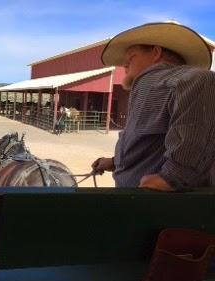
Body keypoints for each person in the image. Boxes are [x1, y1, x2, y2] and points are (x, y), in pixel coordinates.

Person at [92, 22, 215, 191]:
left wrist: (172, 177)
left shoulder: (167, 81)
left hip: (157, 208)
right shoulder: (147, 87)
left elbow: (202, 80)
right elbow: (148, 144)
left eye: (131, 57)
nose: (125, 65)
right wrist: (113, 162)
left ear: (156, 53)